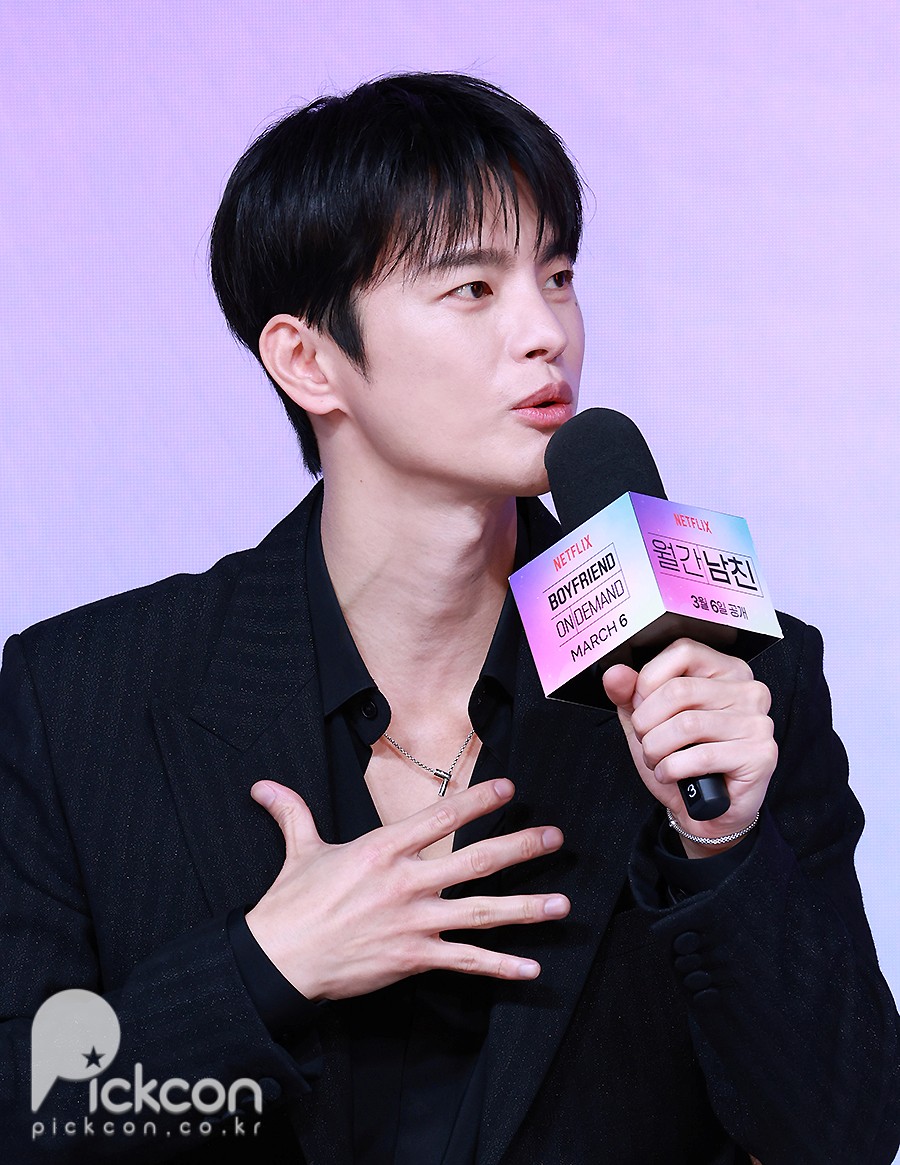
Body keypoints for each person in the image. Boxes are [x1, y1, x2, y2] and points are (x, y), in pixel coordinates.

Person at [1, 72, 898, 1165]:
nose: (545, 331)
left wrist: (721, 845)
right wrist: (263, 969)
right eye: (472, 287)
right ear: (308, 360)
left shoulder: (735, 672)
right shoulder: (82, 696)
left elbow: (845, 1136)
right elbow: (26, 1116)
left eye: (557, 276)